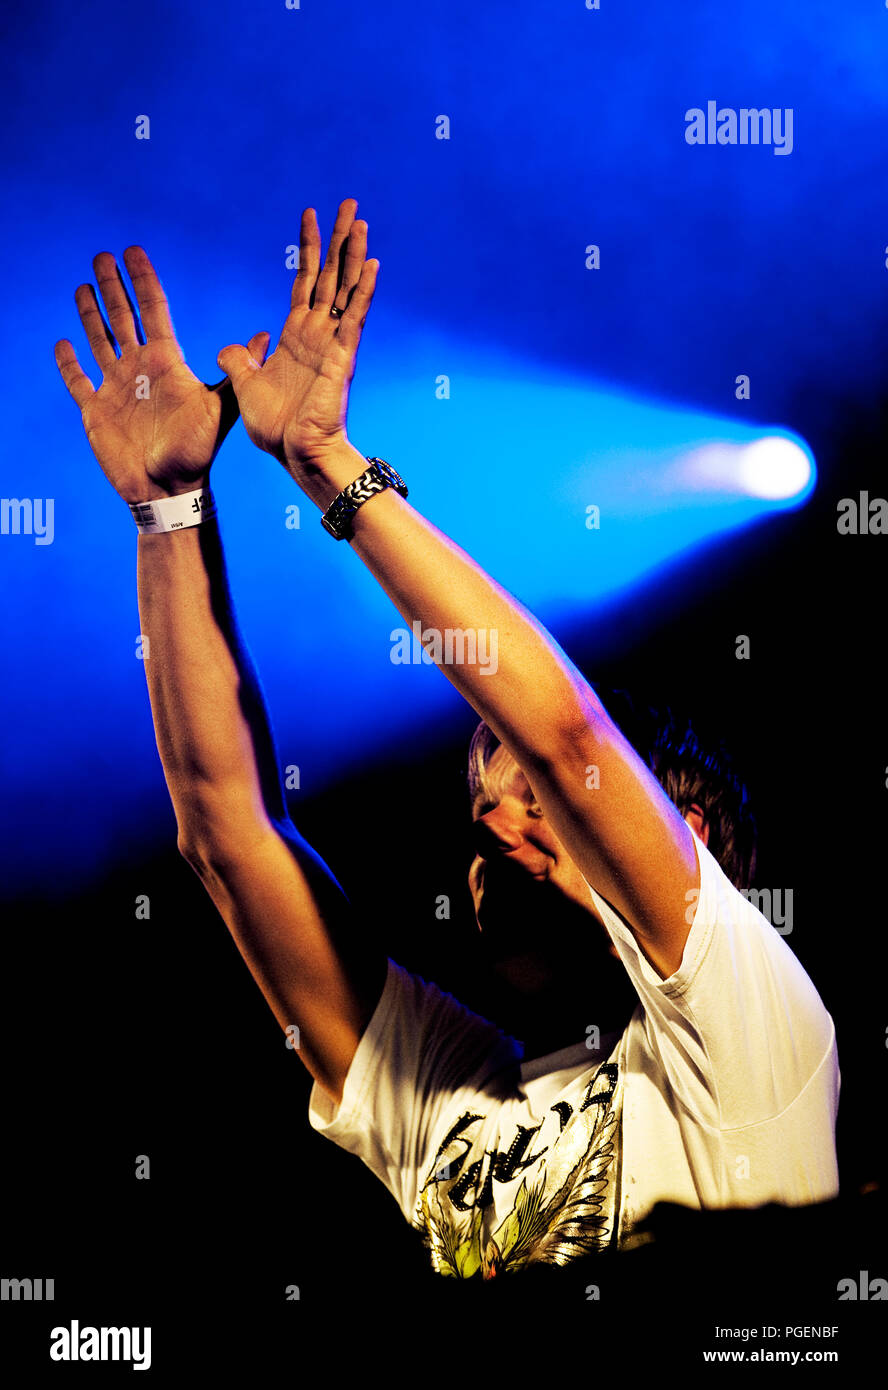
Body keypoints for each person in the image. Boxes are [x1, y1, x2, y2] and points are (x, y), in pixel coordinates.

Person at [54, 197, 840, 1280]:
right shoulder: (456, 1099)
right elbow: (229, 834)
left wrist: (327, 461)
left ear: (684, 831)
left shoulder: (755, 1035)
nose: (486, 818)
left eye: (527, 798)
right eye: (482, 800)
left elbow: (565, 733)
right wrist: (169, 511)